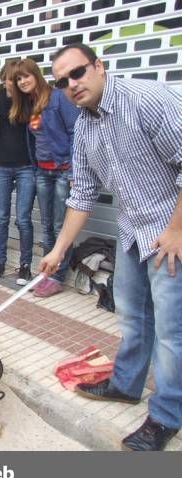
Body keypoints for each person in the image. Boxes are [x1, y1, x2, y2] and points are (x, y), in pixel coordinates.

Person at [41, 43, 182, 451]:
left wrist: (176, 230)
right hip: (133, 230)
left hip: (171, 230)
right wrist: (58, 250)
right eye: (63, 81)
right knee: (132, 316)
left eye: (78, 73)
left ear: (99, 66)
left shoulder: (147, 100)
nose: (72, 85)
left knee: (172, 333)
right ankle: (125, 384)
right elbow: (82, 193)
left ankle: (167, 415)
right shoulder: (83, 127)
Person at [10, 58, 79, 296]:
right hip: (42, 171)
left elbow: (75, 132)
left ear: (36, 74)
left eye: (26, 76)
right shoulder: (29, 103)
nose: (22, 81)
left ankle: (57, 277)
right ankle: (47, 272)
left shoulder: (58, 96)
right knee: (47, 225)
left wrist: (73, 171)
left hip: (62, 170)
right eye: (18, 79)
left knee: (61, 226)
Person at [0, 61, 36, 286]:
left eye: (14, 79)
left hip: (26, 166)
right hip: (1, 166)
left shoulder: (28, 100)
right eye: (7, 78)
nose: (10, 83)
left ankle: (25, 266)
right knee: (1, 216)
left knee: (24, 219)